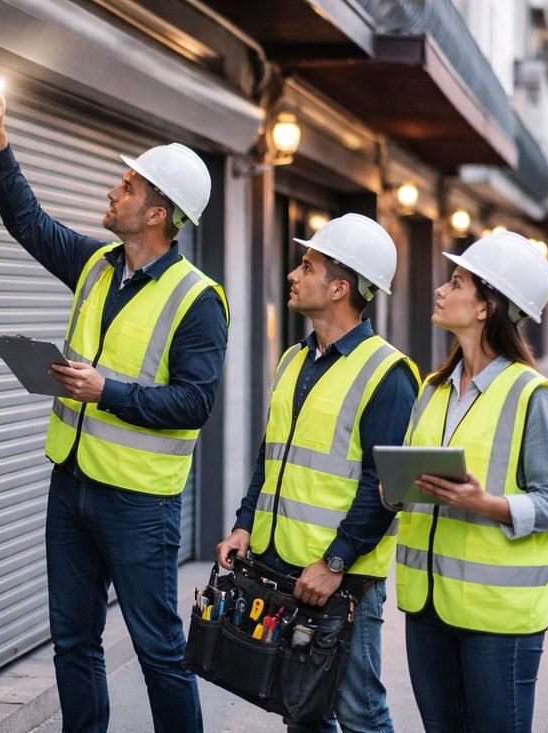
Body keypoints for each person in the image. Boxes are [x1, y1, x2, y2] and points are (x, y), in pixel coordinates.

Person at [0, 89, 229, 733]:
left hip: (139, 505)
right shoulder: (95, 265)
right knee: (74, 644)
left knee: (159, 652)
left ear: (157, 214)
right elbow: (26, 222)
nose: (113, 192)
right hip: (72, 483)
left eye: (127, 186)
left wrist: (104, 390)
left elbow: (195, 404)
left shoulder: (197, 300)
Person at [216, 214, 418, 733]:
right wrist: (244, 524)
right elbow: (271, 457)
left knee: (359, 711)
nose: (292, 274)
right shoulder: (293, 359)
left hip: (341, 579)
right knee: (299, 707)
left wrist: (335, 561)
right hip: (281, 562)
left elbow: (386, 487)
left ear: (339, 287)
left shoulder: (387, 374)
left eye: (307, 265)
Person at [394, 231, 548, 732]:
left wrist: (489, 505)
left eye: (455, 283)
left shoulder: (532, 396)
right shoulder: (432, 389)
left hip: (498, 619)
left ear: (485, 307)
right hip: (427, 604)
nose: (440, 291)